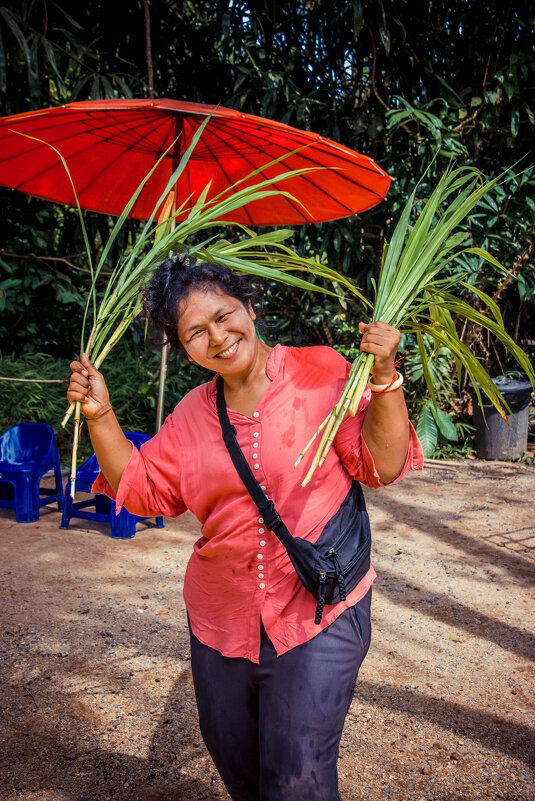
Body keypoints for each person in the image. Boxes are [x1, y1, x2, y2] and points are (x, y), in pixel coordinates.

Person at [67, 254, 423, 801]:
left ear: (250, 308)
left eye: (223, 315)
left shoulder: (323, 371)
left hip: (318, 609)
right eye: (195, 332)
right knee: (239, 763)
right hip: (221, 618)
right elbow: (140, 489)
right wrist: (99, 416)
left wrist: (384, 377)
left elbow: (383, 463)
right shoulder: (191, 415)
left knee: (298, 774)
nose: (217, 337)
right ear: (184, 349)